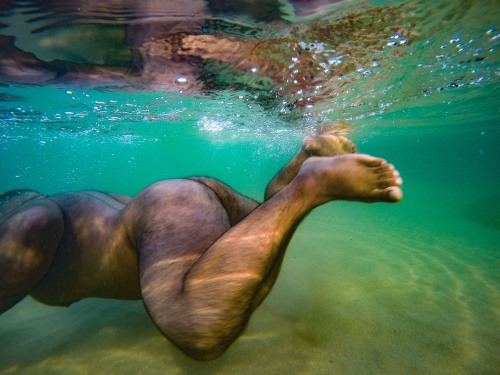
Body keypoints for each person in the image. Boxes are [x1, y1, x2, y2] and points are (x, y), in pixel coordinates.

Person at [0, 133, 402, 360]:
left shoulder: (26, 217)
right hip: (189, 197)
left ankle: (308, 187)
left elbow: (32, 224)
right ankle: (302, 167)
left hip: (172, 207)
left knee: (200, 328)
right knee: (260, 225)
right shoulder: (75, 201)